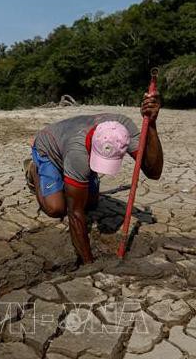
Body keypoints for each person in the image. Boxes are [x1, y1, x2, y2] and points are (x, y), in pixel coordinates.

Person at [24, 92, 163, 264]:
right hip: (48, 149)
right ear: (92, 146)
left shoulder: (122, 129)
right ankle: (33, 169)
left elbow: (154, 172)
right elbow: (74, 213)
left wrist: (152, 124)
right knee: (56, 208)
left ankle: (68, 176)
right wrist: (88, 264)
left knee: (91, 204)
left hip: (71, 149)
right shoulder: (78, 153)